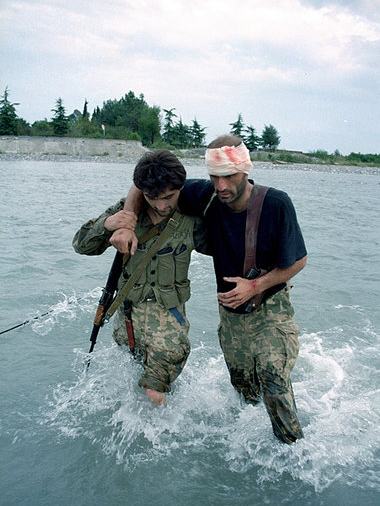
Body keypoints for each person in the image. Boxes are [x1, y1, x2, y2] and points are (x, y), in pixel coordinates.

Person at [118, 136, 307, 444]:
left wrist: (254, 285)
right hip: (231, 314)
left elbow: (298, 260)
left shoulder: (275, 204)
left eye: (229, 176)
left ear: (245, 170)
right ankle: (253, 443)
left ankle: (293, 451)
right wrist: (127, 221)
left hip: (269, 307)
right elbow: (145, 185)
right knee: (245, 389)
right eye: (214, 176)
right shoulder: (206, 195)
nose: (221, 186)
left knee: (273, 378)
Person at [73, 150, 208, 406]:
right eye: (152, 197)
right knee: (134, 379)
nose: (160, 205)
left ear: (180, 187)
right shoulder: (127, 212)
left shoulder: (193, 217)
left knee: (155, 391)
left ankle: (163, 440)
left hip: (169, 320)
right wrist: (108, 224)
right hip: (127, 319)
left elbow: (227, 248)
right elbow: (81, 245)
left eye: (168, 197)